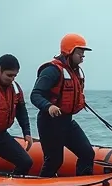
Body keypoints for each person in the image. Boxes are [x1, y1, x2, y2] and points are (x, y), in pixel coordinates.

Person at [31, 33, 95, 177]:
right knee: (54, 161)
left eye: (83, 54)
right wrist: (49, 106)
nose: (82, 58)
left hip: (67, 121)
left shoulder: (74, 71)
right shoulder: (52, 70)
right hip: (49, 123)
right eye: (80, 53)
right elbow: (35, 94)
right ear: (69, 51)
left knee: (87, 153)